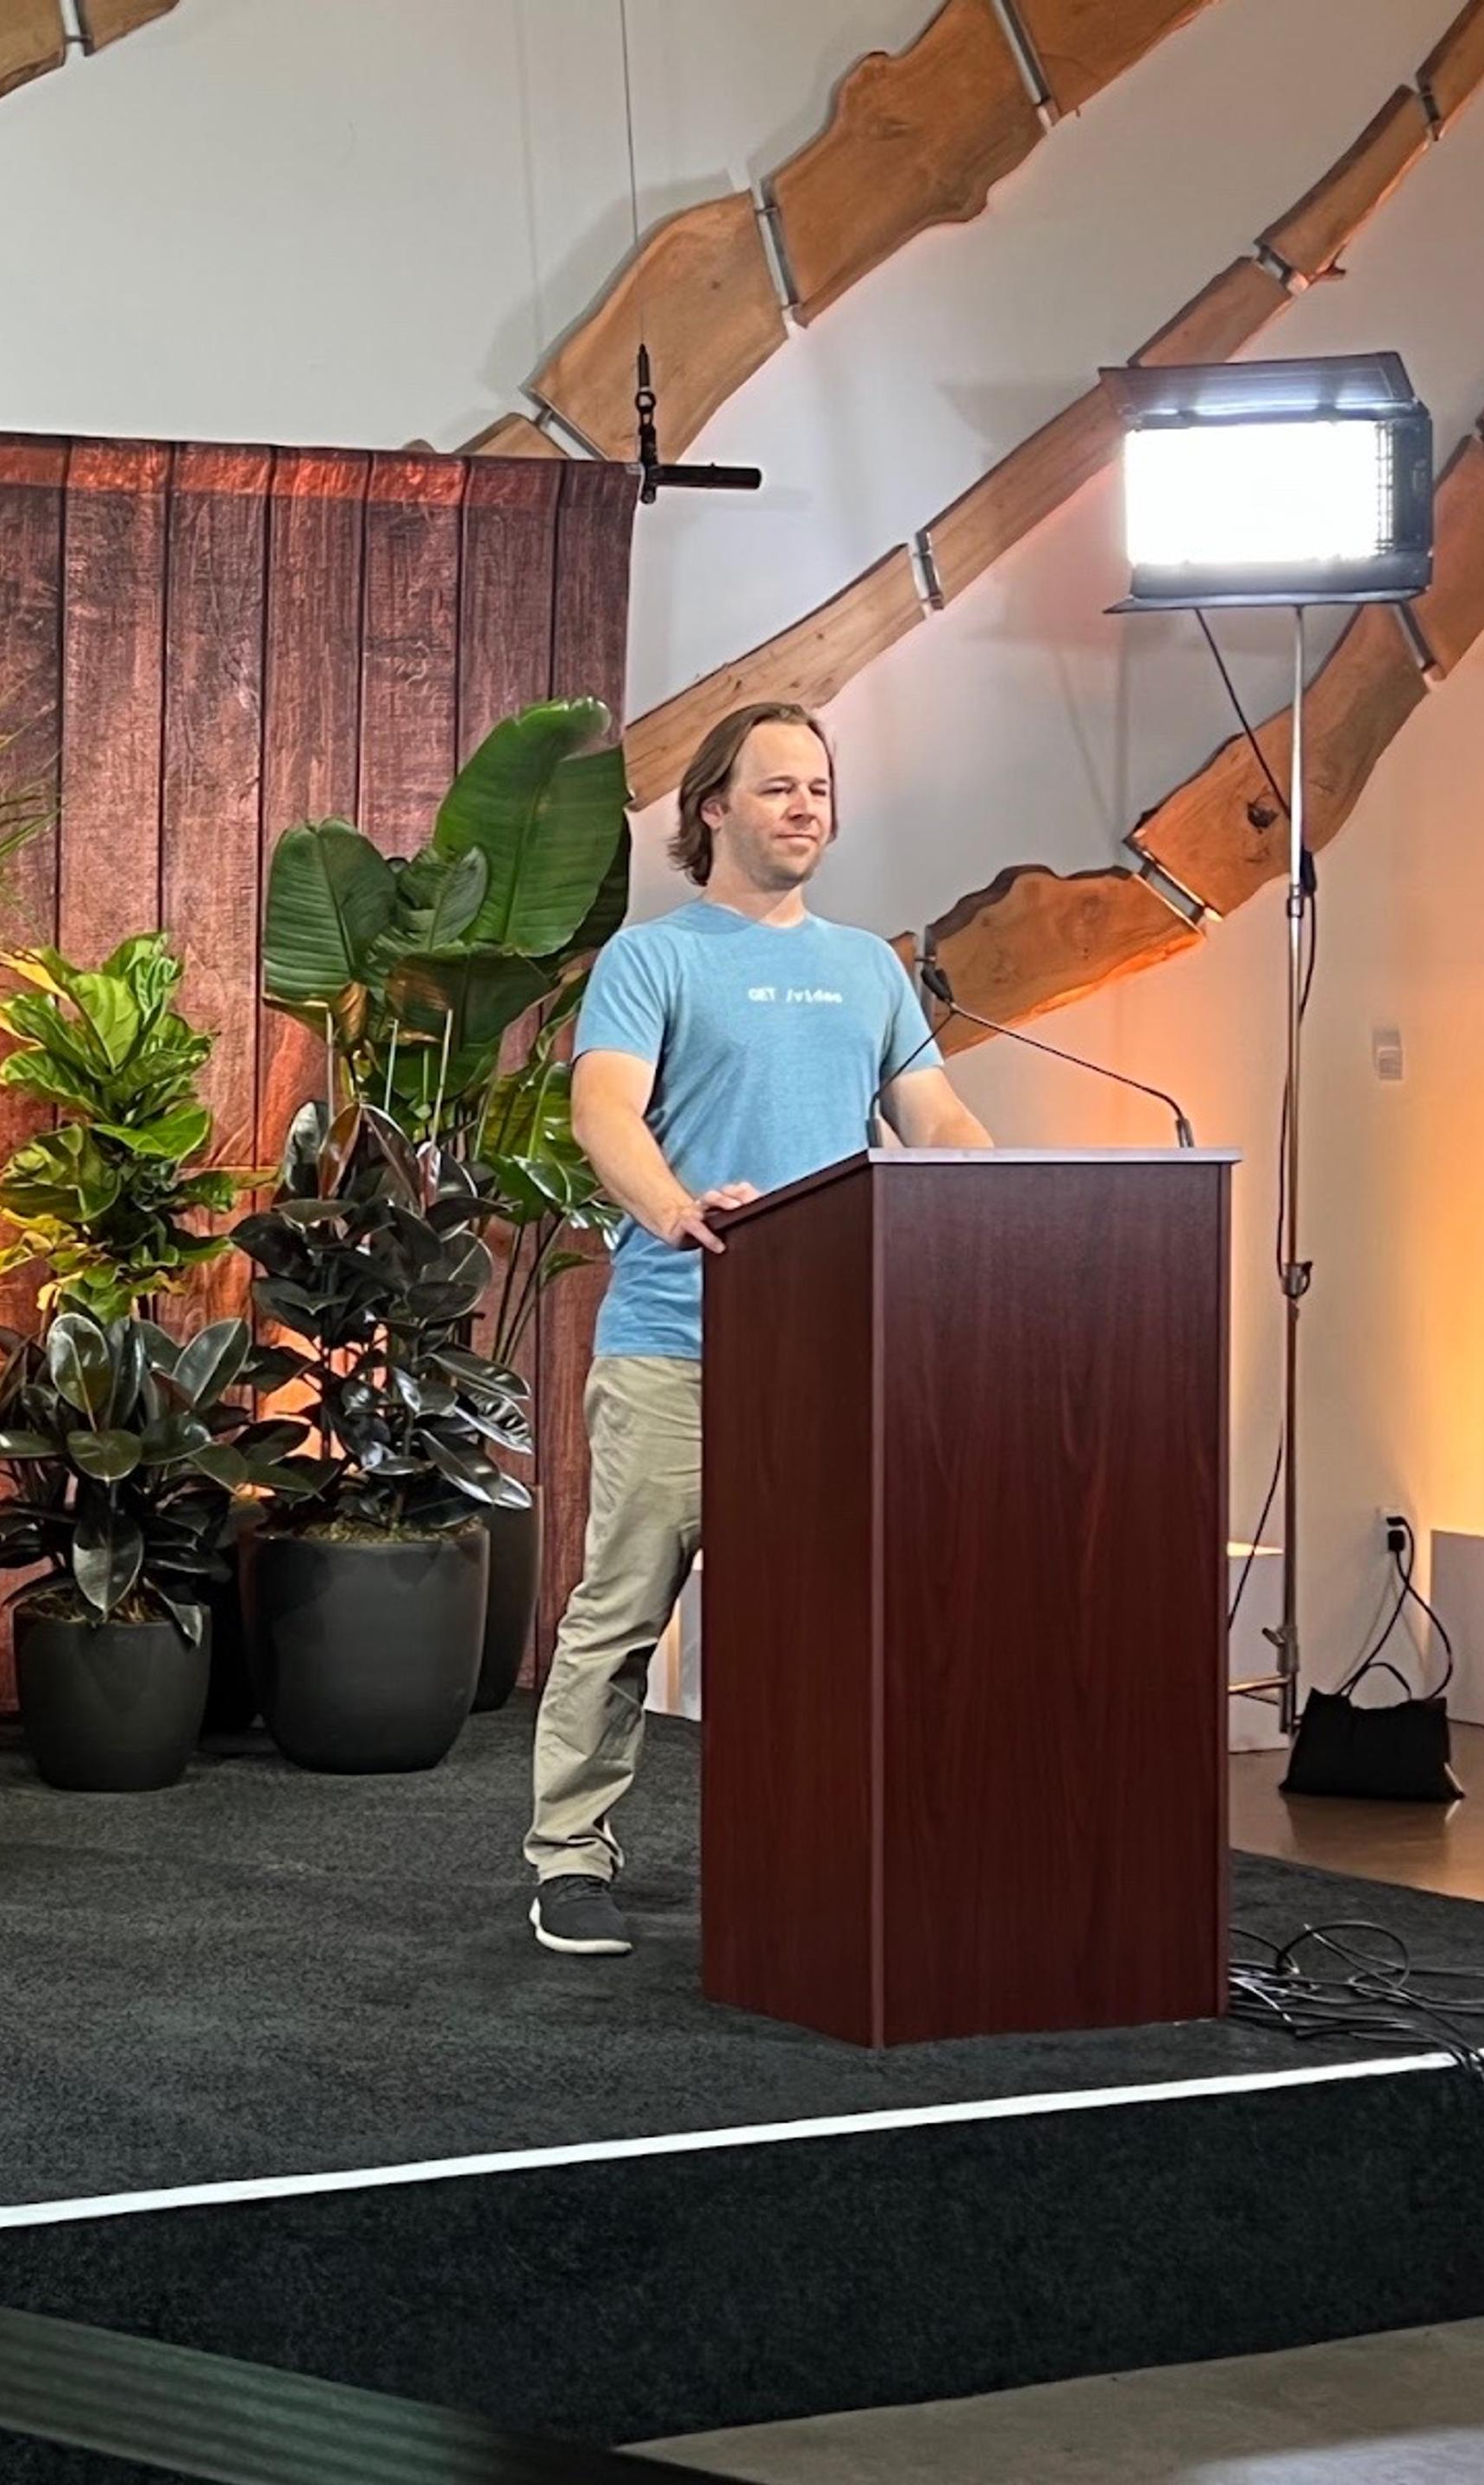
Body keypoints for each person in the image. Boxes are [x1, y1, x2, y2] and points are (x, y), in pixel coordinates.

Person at [526, 701, 991, 1959]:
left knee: (822, 1622)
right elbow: (605, 1116)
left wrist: (991, 1184)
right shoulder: (656, 959)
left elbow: (935, 1115)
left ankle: (814, 1841)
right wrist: (675, 1208)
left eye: (821, 790)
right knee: (622, 1610)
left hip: (834, 1357)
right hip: (676, 1344)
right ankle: (570, 1857)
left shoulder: (869, 968)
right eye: (778, 787)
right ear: (713, 809)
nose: (805, 808)